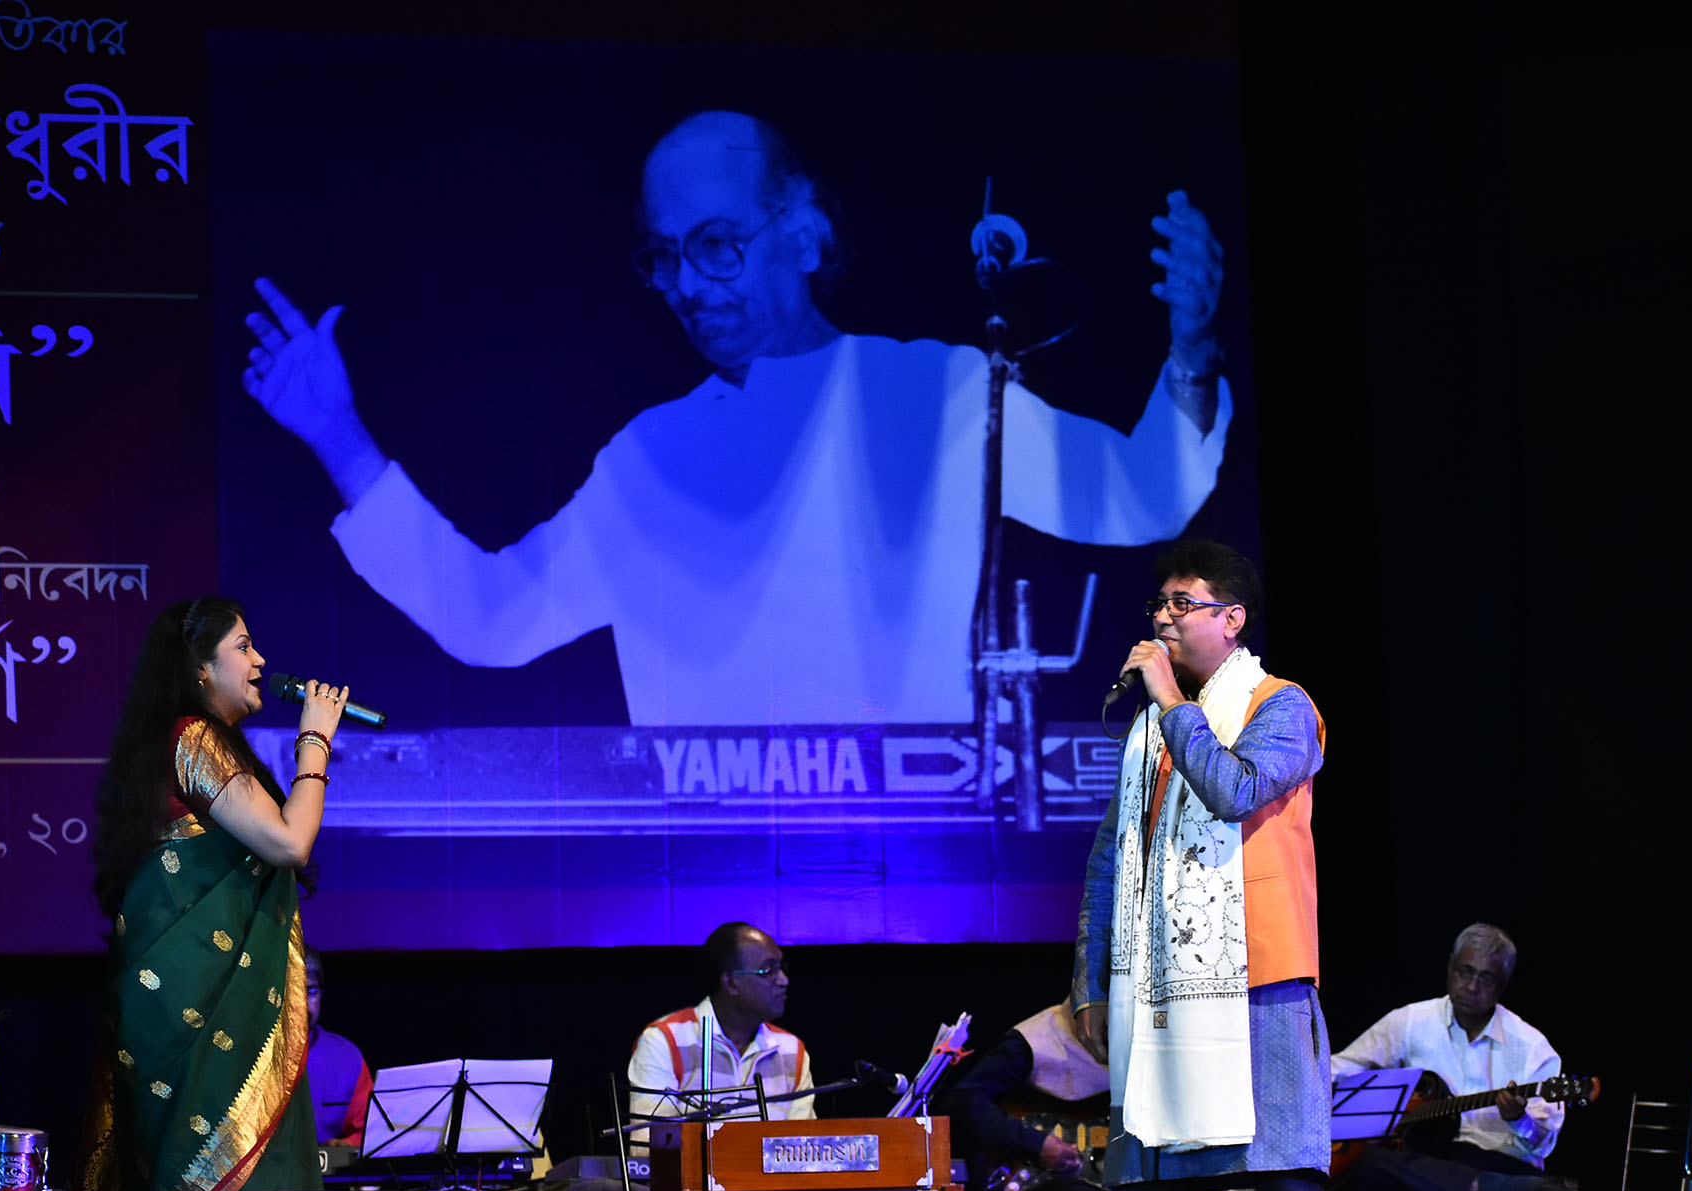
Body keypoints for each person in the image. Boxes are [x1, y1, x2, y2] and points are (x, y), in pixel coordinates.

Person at [241, 109, 1233, 728]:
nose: (686, 285)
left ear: (802, 235)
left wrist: (1189, 352)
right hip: (705, 884)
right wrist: (339, 437)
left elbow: (1138, 497)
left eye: (716, 245)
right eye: (664, 256)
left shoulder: (935, 392)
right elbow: (493, 620)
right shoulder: (649, 455)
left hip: (911, 857)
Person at [1073, 538, 1334, 1191]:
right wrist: (1092, 981)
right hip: (1158, 994)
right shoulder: (1150, 733)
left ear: (1233, 618)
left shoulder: (1280, 705)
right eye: (1158, 603)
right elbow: (1108, 859)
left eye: (1181, 603)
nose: (1162, 618)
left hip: (1263, 987)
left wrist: (1170, 702)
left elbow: (1235, 791)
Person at [77, 597, 350, 1191]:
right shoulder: (195, 737)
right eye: (244, 647)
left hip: (207, 1013)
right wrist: (315, 742)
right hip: (191, 1018)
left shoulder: (193, 742)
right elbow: (287, 843)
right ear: (200, 666)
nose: (261, 660)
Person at [936, 997, 1266, 1191]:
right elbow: (964, 1100)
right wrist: (1035, 1144)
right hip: (1044, 1190)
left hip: (1131, 1188)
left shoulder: (1153, 1038)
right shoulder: (1036, 1039)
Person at [1328, 923, 1578, 1191]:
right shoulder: (1411, 1022)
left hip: (1502, 1164)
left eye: (1486, 978)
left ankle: (1500, 1187)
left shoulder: (1532, 1047)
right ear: (1450, 966)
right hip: (1428, 1169)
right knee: (1369, 1165)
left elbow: (1545, 1141)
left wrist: (1518, 1119)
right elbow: (1342, 1068)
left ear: (1502, 984)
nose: (1471, 986)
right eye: (1465, 972)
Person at [627, 922, 812, 1123]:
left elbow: (801, 1148)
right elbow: (648, 1143)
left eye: (781, 968)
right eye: (768, 970)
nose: (784, 980)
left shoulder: (791, 1051)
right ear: (731, 982)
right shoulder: (665, 1041)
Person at [304, 948, 372, 1150]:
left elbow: (366, 1132)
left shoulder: (347, 1058)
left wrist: (345, 1146)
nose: (303, 1002)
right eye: (292, 990)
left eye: (310, 991)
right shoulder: (249, 1055)